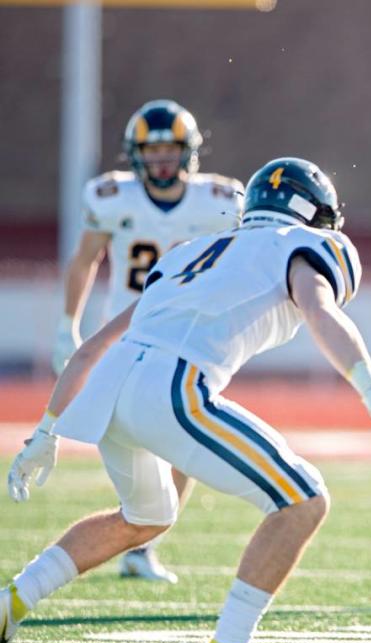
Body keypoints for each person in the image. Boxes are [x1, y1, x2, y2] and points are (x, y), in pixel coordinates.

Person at [2, 157, 371, 643]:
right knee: (302, 500)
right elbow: (319, 310)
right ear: (313, 212)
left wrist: (44, 430)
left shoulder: (189, 251)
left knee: (145, 517)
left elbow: (92, 347)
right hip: (173, 384)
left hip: (112, 386)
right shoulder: (306, 245)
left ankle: (10, 601)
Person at [52, 99, 244, 583]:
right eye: (151, 150)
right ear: (134, 155)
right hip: (129, 333)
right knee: (140, 441)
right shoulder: (112, 196)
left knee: (185, 440)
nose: (161, 160)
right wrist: (67, 324)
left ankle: (145, 546)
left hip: (188, 336)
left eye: (170, 149)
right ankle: (138, 529)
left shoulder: (219, 200)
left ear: (188, 153)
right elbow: (85, 261)